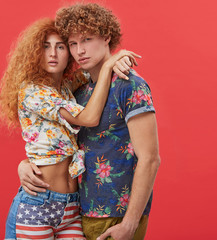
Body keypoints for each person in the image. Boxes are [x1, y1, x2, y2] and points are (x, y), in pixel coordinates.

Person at [18, 3, 161, 240]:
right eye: (72, 43)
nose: (79, 50)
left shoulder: (130, 85)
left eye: (86, 39)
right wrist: (25, 163)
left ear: (106, 37)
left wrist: (130, 223)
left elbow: (150, 158)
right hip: (80, 210)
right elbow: (59, 142)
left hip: (118, 216)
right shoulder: (81, 91)